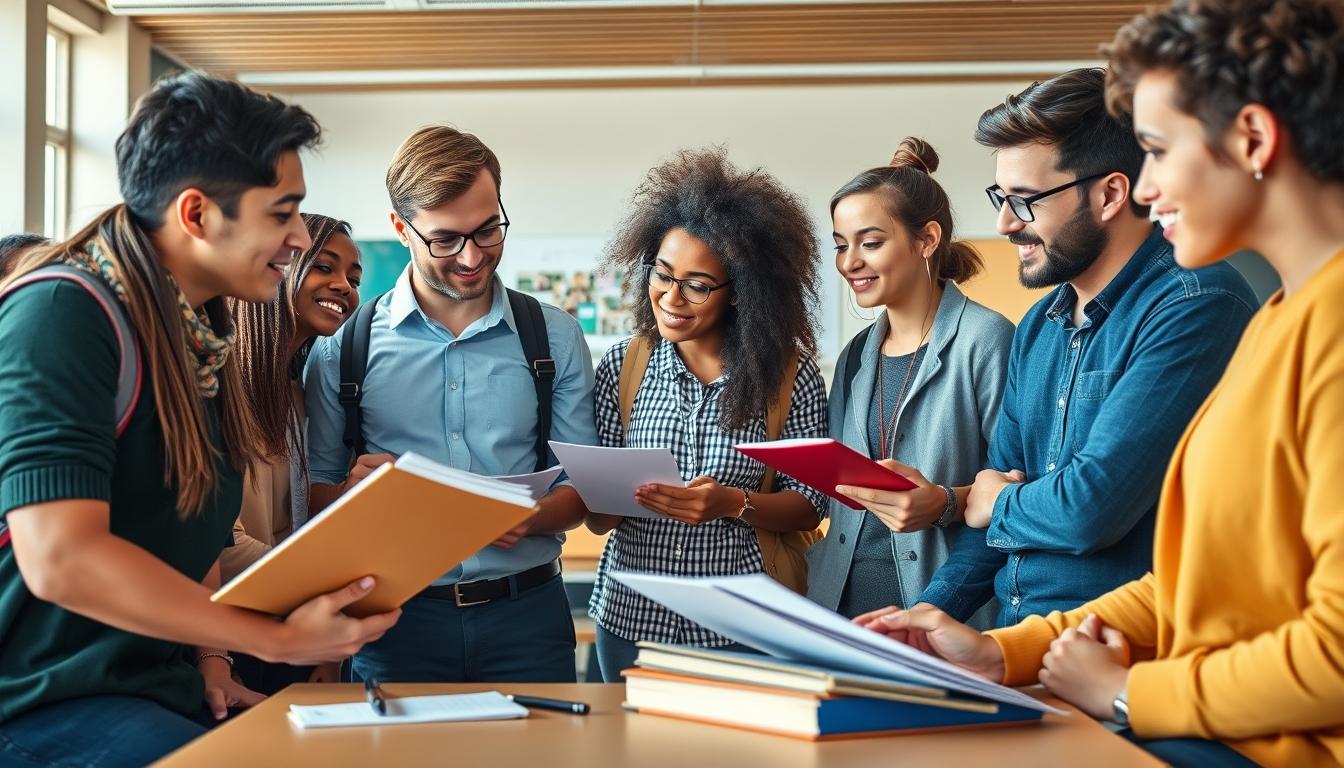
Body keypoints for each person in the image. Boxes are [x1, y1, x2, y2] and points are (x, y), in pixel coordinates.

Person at [859, 1, 1344, 764]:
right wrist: (1006, 651)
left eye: (1156, 149)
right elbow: (1192, 579)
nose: (1146, 188)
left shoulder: (1259, 316)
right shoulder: (1280, 321)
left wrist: (1126, 693)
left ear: (1251, 138)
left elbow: (1334, 654)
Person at [0, 73, 397, 767]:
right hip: (39, 702)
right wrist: (268, 639)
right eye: (282, 214)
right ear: (195, 214)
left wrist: (212, 654)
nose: (299, 237)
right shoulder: (64, 312)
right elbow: (60, 558)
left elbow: (190, 521)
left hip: (148, 688)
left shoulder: (198, 333)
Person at [912, 67, 1258, 626]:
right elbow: (987, 515)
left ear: (1110, 194)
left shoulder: (1196, 303)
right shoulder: (1037, 326)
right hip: (1014, 644)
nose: (1003, 223)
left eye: (1025, 201)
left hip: (1119, 652)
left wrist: (998, 501)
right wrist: (929, 614)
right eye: (1001, 197)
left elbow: (1091, 509)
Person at [304, 126, 598, 684]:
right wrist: (350, 496)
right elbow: (314, 492)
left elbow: (580, 492)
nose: (471, 257)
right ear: (400, 228)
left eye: (488, 230)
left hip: (528, 619)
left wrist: (529, 517)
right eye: (445, 239)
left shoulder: (554, 337)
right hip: (394, 623)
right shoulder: (345, 345)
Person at [584, 148, 829, 682]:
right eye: (662, 275)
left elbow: (809, 506)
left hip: (744, 621)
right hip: (632, 617)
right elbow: (599, 518)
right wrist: (605, 501)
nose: (671, 298)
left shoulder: (789, 375)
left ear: (740, 293)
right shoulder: (623, 366)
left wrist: (731, 503)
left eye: (697, 284)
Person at [805, 138, 1013, 627]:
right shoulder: (857, 354)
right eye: (840, 245)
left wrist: (942, 504)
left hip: (941, 609)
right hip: (840, 607)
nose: (848, 262)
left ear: (927, 240)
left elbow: (1018, 484)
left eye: (870, 242)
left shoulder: (987, 340)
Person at [224, 213, 363, 693]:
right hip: (225, 634)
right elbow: (220, 547)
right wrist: (328, 587)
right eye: (325, 267)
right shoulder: (221, 385)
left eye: (354, 277)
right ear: (279, 264)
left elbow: (290, 524)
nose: (344, 286)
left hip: (285, 623)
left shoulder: (295, 393)